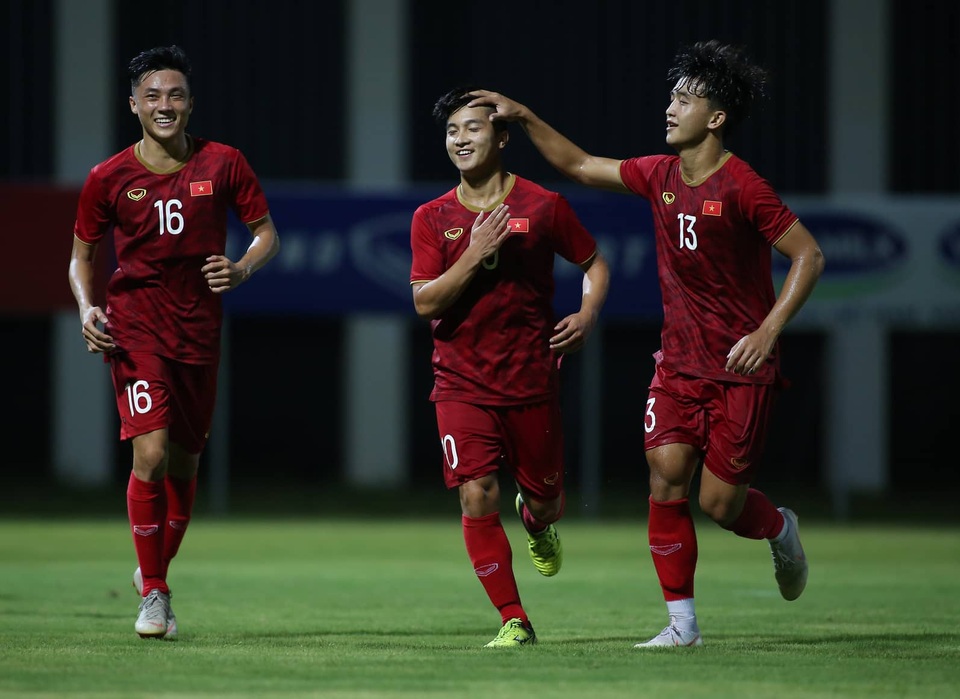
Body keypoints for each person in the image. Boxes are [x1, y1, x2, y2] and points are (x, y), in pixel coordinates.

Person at [469, 39, 825, 647]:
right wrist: (524, 116)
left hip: (739, 368)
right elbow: (582, 165)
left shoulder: (743, 187)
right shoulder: (659, 173)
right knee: (665, 479)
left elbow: (808, 255)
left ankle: (779, 529)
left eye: (685, 100)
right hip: (679, 366)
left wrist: (767, 330)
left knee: (721, 504)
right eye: (672, 97)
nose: (670, 107)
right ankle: (683, 626)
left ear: (715, 118)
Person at [67, 45, 280, 640]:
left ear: (190, 104)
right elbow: (81, 257)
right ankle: (156, 594)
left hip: (198, 332)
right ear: (133, 104)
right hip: (135, 329)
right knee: (152, 454)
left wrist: (241, 268)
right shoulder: (108, 177)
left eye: (176, 95)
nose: (165, 105)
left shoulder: (224, 163)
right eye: (153, 95)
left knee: (185, 461)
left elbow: (266, 234)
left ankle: (153, 567)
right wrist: (87, 307)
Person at [410, 86, 610, 647]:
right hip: (460, 382)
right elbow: (424, 302)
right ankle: (513, 618)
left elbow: (594, 263)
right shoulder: (432, 217)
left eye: (472, 128)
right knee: (476, 493)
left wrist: (588, 313)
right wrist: (472, 255)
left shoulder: (543, 205)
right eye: (452, 131)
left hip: (530, 380)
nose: (460, 139)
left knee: (547, 502)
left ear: (501, 137)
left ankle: (537, 521)